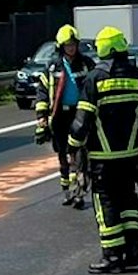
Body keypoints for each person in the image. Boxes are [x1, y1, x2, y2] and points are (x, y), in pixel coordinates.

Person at [69, 27, 138, 273]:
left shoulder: (95, 78)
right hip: (131, 153)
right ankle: (132, 251)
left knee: (106, 202)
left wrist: (73, 146)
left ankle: (112, 256)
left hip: (103, 156)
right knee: (128, 198)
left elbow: (82, 120)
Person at [34, 25, 95, 208]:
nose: (71, 48)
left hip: (80, 113)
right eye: (67, 45)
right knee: (63, 155)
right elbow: (42, 92)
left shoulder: (86, 64)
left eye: (73, 44)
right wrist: (42, 116)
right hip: (60, 116)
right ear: (61, 46)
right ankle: (67, 192)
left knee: (79, 154)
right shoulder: (53, 67)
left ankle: (79, 193)